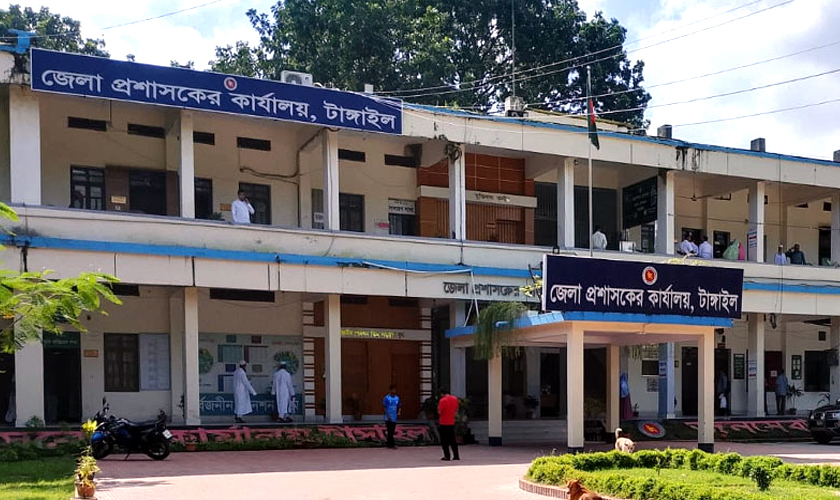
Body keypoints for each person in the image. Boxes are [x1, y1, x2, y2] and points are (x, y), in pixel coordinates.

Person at [437, 388, 460, 461]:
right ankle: (456, 455)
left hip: (443, 422)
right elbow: (456, 409)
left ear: (442, 394)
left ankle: (447, 456)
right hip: (451, 422)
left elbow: (439, 411)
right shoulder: (455, 399)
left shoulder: (442, 400)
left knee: (444, 441)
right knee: (453, 440)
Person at [382, 384, 402, 449]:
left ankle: (388, 444)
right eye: (393, 389)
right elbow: (385, 407)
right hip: (388, 417)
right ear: (390, 390)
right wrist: (388, 415)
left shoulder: (397, 398)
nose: (394, 391)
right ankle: (392, 444)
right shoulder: (386, 398)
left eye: (395, 389)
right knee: (389, 430)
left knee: (392, 431)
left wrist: (399, 412)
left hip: (394, 416)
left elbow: (399, 406)